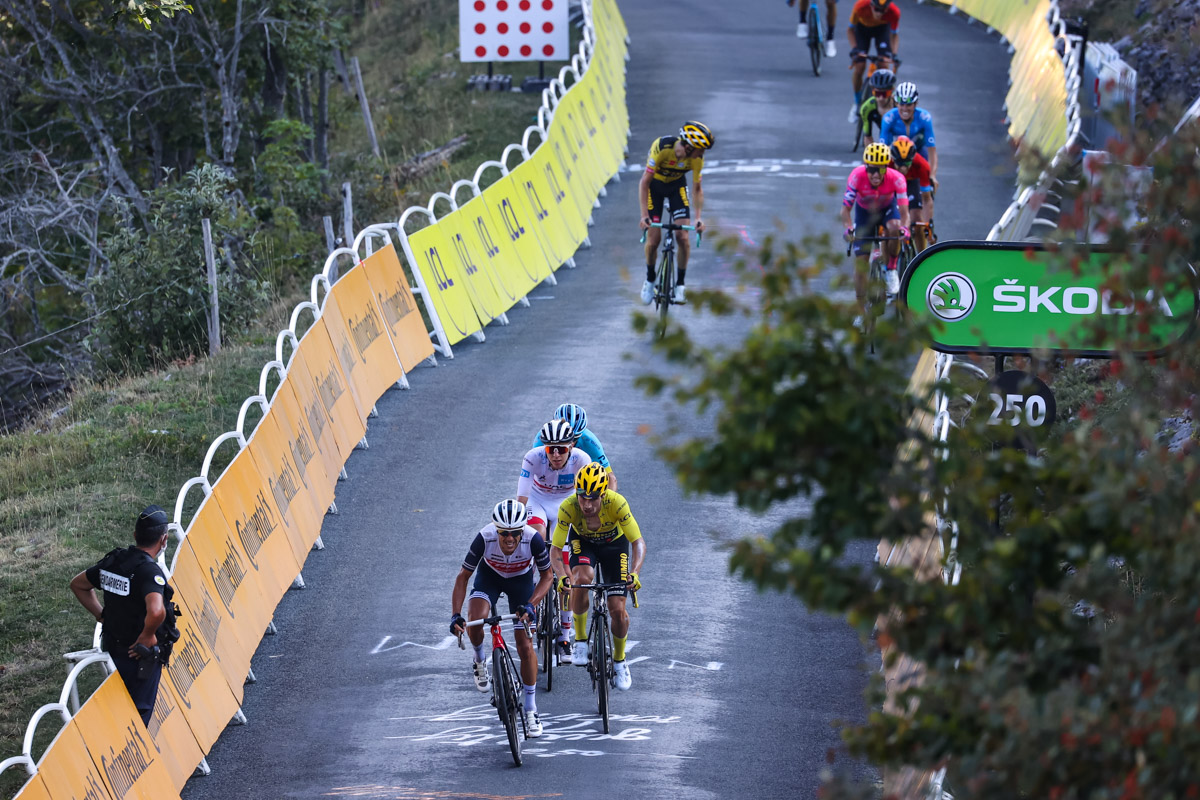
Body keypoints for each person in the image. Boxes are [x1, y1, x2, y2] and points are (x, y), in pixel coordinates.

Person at [450, 499, 553, 738]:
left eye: (514, 533)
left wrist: (531, 604)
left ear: (521, 531)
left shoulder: (533, 538)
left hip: (521, 581)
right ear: (496, 530)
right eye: (504, 533)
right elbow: (463, 577)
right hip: (491, 577)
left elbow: (548, 577)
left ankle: (530, 708)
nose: (509, 539)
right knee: (476, 620)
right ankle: (479, 660)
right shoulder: (484, 537)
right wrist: (455, 614)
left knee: (525, 644)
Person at [69, 505, 179, 726]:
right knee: (137, 720)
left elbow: (78, 585)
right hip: (139, 656)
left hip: (113, 648)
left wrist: (102, 616)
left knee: (116, 712)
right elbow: (156, 610)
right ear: (164, 539)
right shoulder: (149, 572)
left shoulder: (115, 562)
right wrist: (148, 635)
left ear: (135, 535)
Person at [550, 462, 646, 692]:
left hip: (615, 547)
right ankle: (581, 640)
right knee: (581, 579)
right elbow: (555, 549)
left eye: (593, 498)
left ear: (603, 494)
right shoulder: (568, 507)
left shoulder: (617, 503)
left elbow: (637, 542)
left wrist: (635, 572)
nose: (587, 504)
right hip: (584, 544)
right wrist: (562, 576)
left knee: (617, 610)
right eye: (582, 497)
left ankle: (620, 660)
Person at [520, 417, 592, 661]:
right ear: (545, 448)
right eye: (551, 449)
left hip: (566, 503)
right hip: (538, 501)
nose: (557, 454)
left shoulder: (582, 459)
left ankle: (564, 635)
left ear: (571, 446)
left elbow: (587, 499)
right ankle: (529, 586)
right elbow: (522, 496)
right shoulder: (533, 457)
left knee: (564, 569)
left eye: (562, 449)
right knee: (536, 537)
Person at [638, 120, 715, 306]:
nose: (702, 154)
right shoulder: (662, 148)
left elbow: (697, 189)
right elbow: (644, 183)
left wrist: (697, 218)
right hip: (654, 188)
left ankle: (680, 284)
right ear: (689, 146)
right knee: (654, 240)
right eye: (701, 149)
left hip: (676, 188)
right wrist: (644, 216)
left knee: (683, 237)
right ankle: (650, 279)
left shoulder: (696, 160)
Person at [841, 142, 910, 302]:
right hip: (864, 213)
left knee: (894, 227)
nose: (876, 175)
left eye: (881, 169)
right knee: (861, 263)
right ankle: (860, 309)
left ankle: (891, 269)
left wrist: (904, 229)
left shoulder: (897, 178)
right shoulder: (857, 176)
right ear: (866, 167)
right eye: (872, 169)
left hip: (887, 209)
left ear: (886, 168)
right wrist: (849, 228)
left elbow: (904, 212)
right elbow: (845, 210)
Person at [530, 403, 616, 491]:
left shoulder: (589, 441)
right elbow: (531, 473)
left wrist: (607, 502)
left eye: (574, 438)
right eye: (564, 440)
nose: (571, 443)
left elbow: (611, 478)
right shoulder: (542, 438)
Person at [846, 0, 900, 123]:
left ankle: (886, 104)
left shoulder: (894, 12)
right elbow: (850, 30)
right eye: (877, 9)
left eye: (883, 10)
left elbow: (894, 35)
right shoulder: (860, 6)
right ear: (871, 5)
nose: (879, 14)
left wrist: (894, 54)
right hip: (862, 29)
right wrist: (854, 49)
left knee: (884, 65)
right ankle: (856, 102)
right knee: (859, 66)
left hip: (882, 30)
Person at [879, 81, 938, 192]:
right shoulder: (888, 118)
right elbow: (882, 150)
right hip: (895, 155)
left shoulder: (924, 118)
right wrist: (881, 174)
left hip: (918, 153)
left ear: (916, 104)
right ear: (896, 103)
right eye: (901, 104)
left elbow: (932, 150)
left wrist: (932, 175)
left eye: (909, 104)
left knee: (927, 189)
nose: (905, 109)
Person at [889, 135, 936, 251]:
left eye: (907, 164)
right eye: (899, 164)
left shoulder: (922, 165)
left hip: (912, 183)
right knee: (892, 220)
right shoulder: (887, 164)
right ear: (893, 159)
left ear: (913, 159)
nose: (903, 169)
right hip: (893, 184)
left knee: (917, 220)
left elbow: (926, 199)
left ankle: (921, 255)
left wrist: (927, 223)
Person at [859, 69, 897, 147]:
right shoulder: (867, 108)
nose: (880, 98)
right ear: (872, 91)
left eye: (884, 94)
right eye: (877, 93)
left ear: (892, 91)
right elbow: (868, 137)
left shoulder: (900, 105)